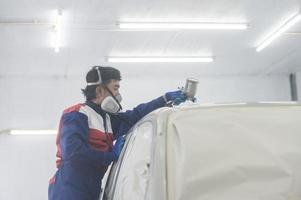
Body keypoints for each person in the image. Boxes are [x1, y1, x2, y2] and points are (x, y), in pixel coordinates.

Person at [48, 66, 187, 200]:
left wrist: (164, 99)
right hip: (69, 187)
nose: (117, 95)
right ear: (100, 90)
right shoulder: (77, 114)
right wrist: (110, 156)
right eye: (115, 88)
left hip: (91, 186)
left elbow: (134, 116)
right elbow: (74, 153)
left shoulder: (107, 119)